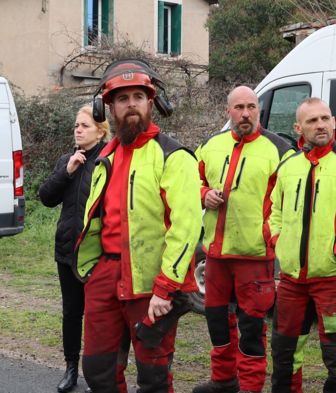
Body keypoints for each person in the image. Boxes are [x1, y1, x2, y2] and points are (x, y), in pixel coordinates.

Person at [74, 59, 202, 393]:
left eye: (138, 97)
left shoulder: (174, 156)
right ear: (108, 108)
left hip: (150, 284)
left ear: (152, 102)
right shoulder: (106, 158)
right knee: (98, 371)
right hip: (104, 276)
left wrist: (166, 287)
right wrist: (91, 274)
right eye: (122, 98)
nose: (131, 103)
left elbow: (186, 228)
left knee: (153, 378)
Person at [193, 86, 294, 393]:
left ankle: (250, 388)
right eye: (239, 107)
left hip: (255, 257)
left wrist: (272, 237)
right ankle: (223, 380)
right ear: (228, 112)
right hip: (216, 256)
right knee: (217, 323)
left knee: (251, 329)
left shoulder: (279, 150)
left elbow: (290, 202)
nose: (246, 113)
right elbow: (190, 181)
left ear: (259, 110)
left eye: (252, 106)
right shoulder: (211, 145)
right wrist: (204, 194)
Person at [269, 98, 336, 393]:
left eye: (325, 118)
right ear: (298, 128)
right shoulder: (289, 166)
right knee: (283, 354)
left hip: (331, 281)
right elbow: (274, 212)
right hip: (292, 282)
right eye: (311, 121)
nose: (320, 125)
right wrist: (279, 241)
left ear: (333, 121)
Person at [38, 105, 110, 393]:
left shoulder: (109, 160)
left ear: (101, 131)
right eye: (76, 126)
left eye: (85, 126)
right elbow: (45, 197)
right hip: (67, 250)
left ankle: (99, 374)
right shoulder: (67, 160)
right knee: (71, 312)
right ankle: (71, 369)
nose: (78, 130)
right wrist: (66, 172)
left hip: (97, 252)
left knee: (98, 315)